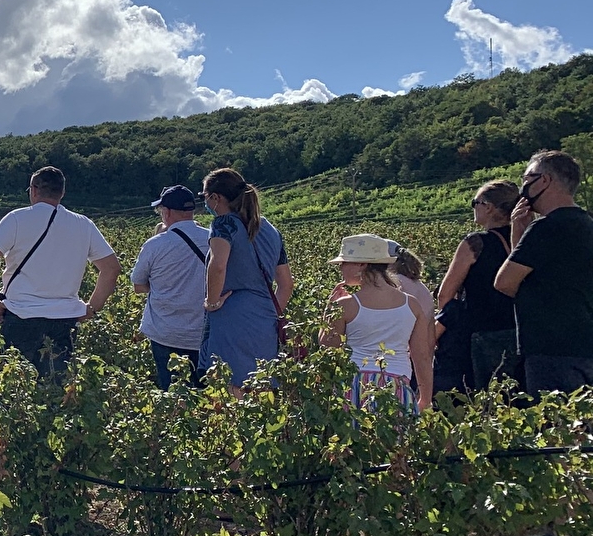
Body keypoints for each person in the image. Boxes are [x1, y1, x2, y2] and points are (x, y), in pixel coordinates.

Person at [0, 166, 120, 382]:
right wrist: (91, 308)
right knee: (56, 390)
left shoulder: (17, 218)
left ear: (33, 190)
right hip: (63, 321)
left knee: (15, 392)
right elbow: (111, 268)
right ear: (62, 192)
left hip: (20, 317)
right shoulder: (83, 224)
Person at [496, 150, 593, 395]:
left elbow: (505, 282)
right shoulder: (587, 224)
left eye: (527, 178)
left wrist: (519, 234)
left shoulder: (546, 227)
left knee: (553, 427)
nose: (523, 186)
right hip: (585, 346)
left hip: (549, 347)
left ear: (545, 181)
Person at [199, 168, 294, 386]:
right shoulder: (270, 229)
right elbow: (286, 284)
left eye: (204, 197)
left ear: (216, 198)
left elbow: (218, 265)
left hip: (231, 316)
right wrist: (270, 313)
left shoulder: (224, 224)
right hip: (265, 319)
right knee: (262, 388)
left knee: (228, 388)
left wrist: (212, 302)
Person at [321, 234, 434, 411]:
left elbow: (327, 347)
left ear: (362, 264)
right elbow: (422, 356)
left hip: (355, 386)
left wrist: (330, 307)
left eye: (345, 262)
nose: (341, 267)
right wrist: (425, 398)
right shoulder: (411, 304)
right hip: (398, 386)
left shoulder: (346, 305)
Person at [435, 181, 520, 389]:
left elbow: (445, 294)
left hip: (478, 333)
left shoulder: (476, 243)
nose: (474, 208)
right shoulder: (524, 238)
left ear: (489, 207)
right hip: (516, 331)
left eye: (476, 203)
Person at [130, 185, 210, 390]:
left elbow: (138, 285)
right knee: (206, 395)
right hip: (204, 332)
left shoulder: (155, 245)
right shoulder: (213, 240)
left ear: (166, 213)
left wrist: (161, 286)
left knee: (171, 396)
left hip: (165, 332)